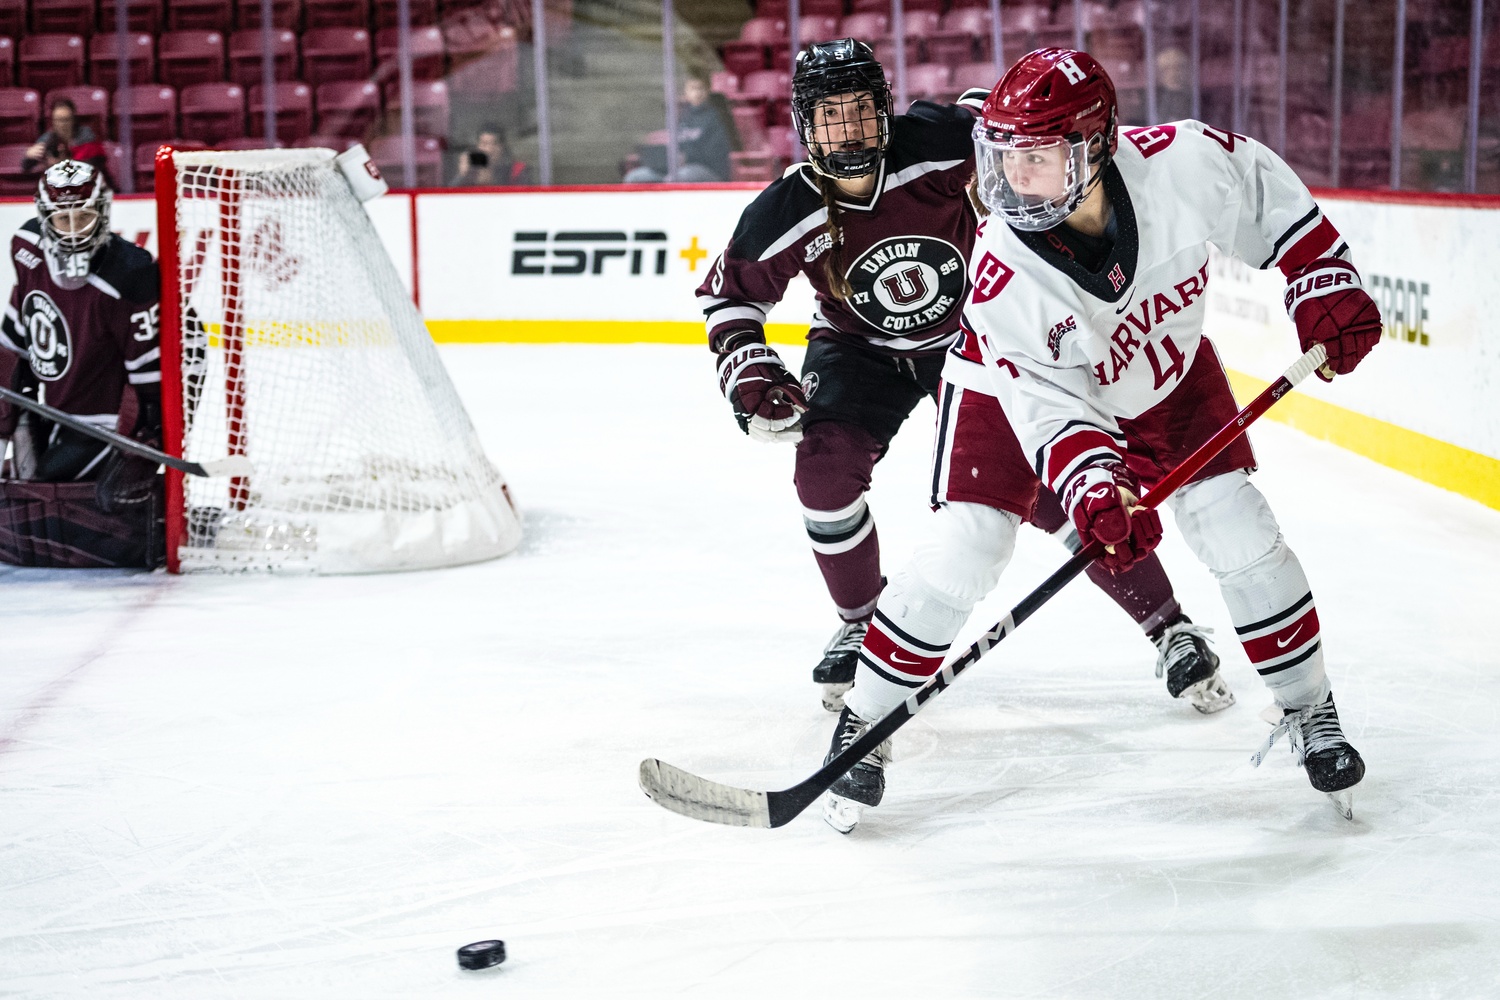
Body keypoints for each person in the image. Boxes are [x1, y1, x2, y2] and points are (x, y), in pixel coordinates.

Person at [826, 48, 1381, 827]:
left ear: (1092, 148)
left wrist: (1323, 275)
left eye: (1037, 159)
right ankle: (867, 720)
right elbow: (1053, 406)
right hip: (1011, 384)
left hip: (1163, 365)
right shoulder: (1004, 274)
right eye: (1003, 160)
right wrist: (1094, 484)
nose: (1014, 181)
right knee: (970, 544)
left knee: (1235, 521)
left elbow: (1266, 195)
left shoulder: (1181, 164)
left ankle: (1309, 709)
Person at [699, 38, 1231, 723]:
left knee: (1045, 488)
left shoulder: (938, 144)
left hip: (973, 338)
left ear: (885, 111)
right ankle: (864, 622)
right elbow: (732, 296)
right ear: (804, 128)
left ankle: (1169, 626)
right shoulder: (786, 208)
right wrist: (750, 367)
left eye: (860, 113)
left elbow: (1017, 138)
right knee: (822, 476)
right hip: (858, 351)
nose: (849, 132)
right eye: (830, 119)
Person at [0, 160, 165, 568]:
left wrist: (146, 437)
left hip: (103, 425)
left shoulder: (130, 273)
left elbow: (150, 382)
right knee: (25, 487)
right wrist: (9, 412)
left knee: (42, 492)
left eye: (84, 217)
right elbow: (16, 332)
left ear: (103, 213)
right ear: (43, 216)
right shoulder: (25, 246)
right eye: (63, 218)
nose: (74, 230)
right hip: (50, 411)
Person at [625, 72, 733, 183]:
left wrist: (687, 157)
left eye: (701, 88)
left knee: (677, 178)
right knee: (635, 177)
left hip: (707, 170)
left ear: (707, 91)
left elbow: (715, 154)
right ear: (685, 92)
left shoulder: (715, 117)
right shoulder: (681, 116)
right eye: (693, 89)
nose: (697, 93)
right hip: (675, 168)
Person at [21, 99, 101, 175]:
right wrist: (29, 156)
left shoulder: (86, 135)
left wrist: (65, 163)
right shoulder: (48, 138)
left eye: (66, 120)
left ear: (73, 120)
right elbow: (25, 167)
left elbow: (94, 165)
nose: (62, 124)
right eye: (58, 120)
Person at [450, 125, 532, 187]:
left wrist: (491, 181)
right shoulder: (471, 170)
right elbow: (449, 198)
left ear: (502, 146)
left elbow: (523, 200)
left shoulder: (517, 169)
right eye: (484, 144)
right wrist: (462, 175)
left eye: (495, 144)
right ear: (477, 147)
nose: (489, 149)